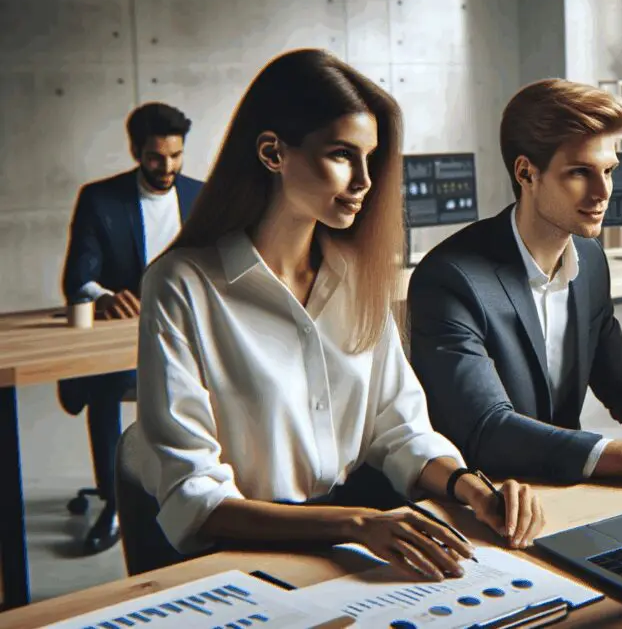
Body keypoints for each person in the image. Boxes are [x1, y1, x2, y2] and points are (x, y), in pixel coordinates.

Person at [134, 49, 543, 582]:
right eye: (343, 155)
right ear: (272, 152)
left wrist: (474, 489)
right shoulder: (180, 287)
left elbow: (399, 430)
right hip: (243, 560)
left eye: (370, 159)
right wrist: (356, 525)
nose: (365, 181)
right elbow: (196, 497)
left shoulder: (356, 277)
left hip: (360, 546)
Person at [408, 79, 622, 486]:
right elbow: (489, 429)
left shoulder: (589, 260)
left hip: (564, 487)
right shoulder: (452, 278)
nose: (602, 192)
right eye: (580, 172)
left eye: (609, 170)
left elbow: (621, 383)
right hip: (481, 501)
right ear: (526, 173)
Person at [60, 102, 203, 555]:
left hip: (192, 342)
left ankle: (204, 491)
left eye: (176, 156)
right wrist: (103, 296)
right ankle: (115, 502)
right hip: (128, 344)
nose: (168, 167)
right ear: (136, 151)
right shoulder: (101, 199)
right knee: (106, 387)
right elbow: (77, 277)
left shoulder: (201, 196)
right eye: (157, 157)